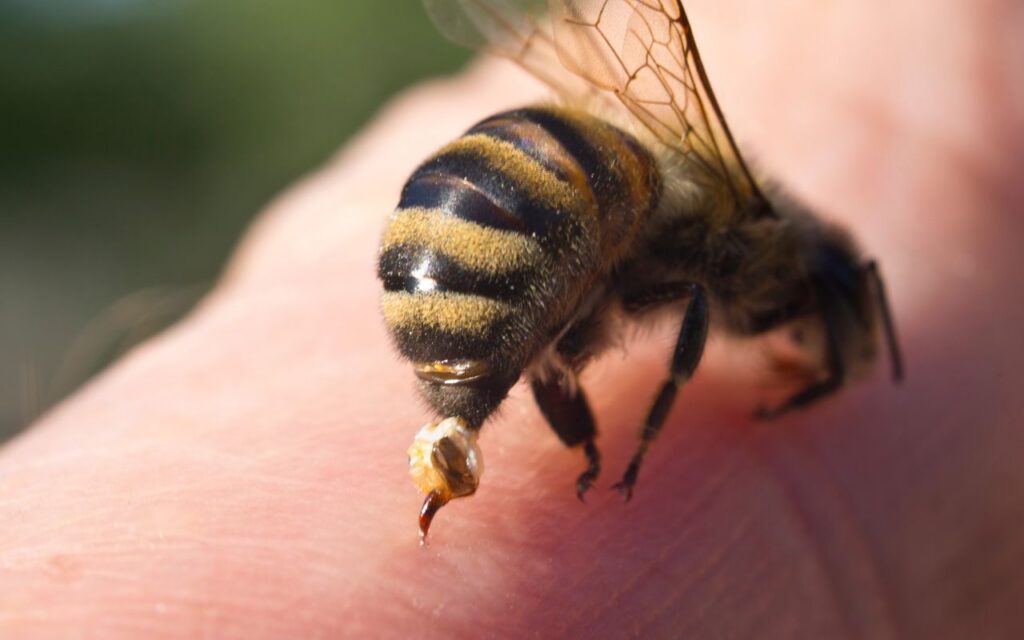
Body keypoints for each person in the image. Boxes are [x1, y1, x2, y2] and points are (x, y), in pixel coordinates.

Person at [2, 2, 1022, 636]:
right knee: (604, 273)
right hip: (527, 212)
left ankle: (473, 414)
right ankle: (509, 419)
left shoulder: (656, 211)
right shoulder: (735, 238)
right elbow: (671, 292)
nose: (812, 337)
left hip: (462, 217)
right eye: (824, 322)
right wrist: (649, 434)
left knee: (572, 279)